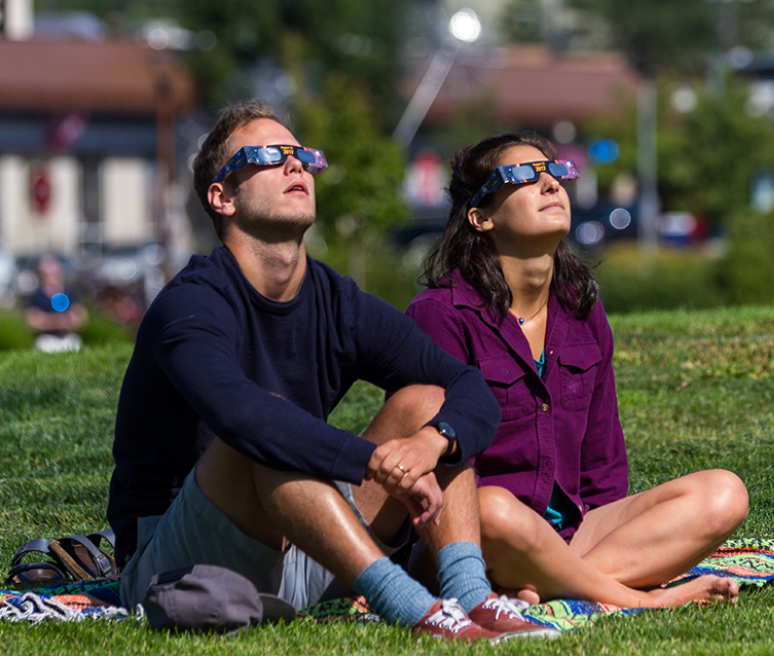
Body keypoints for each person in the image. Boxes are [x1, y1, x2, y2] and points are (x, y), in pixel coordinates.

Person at [106, 103, 556, 641]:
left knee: (430, 402)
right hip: (180, 563)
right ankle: (415, 609)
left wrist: (432, 444)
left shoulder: (335, 300)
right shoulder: (191, 305)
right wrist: (374, 463)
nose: (296, 166)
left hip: (307, 541)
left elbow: (469, 388)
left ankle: (468, 597)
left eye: (302, 156)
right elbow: (243, 417)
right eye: (269, 157)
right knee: (264, 428)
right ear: (222, 197)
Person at [405, 133, 750, 608]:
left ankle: (551, 591)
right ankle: (638, 598)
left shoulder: (580, 308)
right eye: (524, 176)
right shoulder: (439, 315)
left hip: (570, 532)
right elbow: (434, 472)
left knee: (724, 493)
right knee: (496, 510)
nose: (550, 183)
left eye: (555, 172)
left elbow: (602, 462)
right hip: (474, 537)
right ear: (481, 216)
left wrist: (616, 528)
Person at [25, 253, 87, 352]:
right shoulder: (37, 296)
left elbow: (81, 318)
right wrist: (55, 321)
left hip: (68, 338)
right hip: (46, 339)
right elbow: (33, 321)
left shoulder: (70, 293)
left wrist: (50, 320)